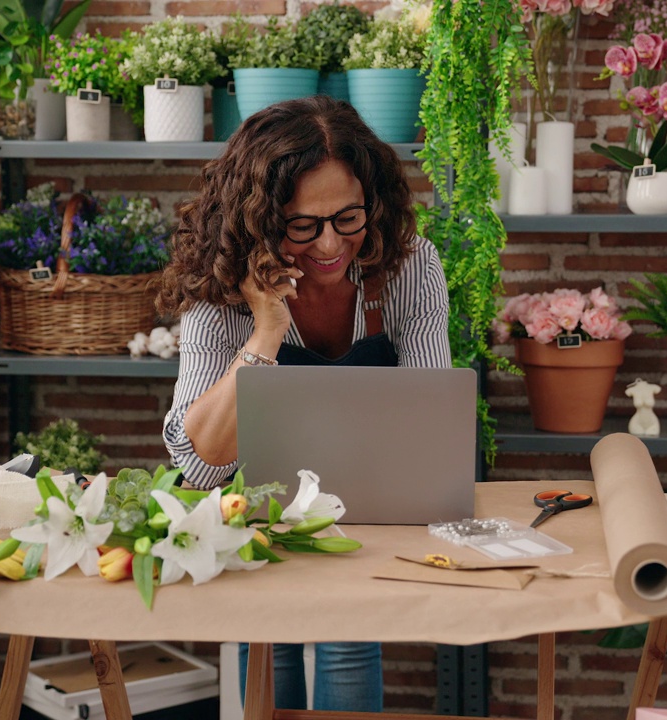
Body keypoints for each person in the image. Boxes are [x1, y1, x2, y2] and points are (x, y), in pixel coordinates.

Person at [155, 95, 451, 712]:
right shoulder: (224, 283)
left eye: (348, 217)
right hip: (252, 510)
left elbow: (429, 424)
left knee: (349, 639)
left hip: (370, 498)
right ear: (260, 220)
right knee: (268, 641)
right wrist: (265, 332)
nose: (329, 245)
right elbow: (204, 463)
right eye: (302, 225)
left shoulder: (409, 267)